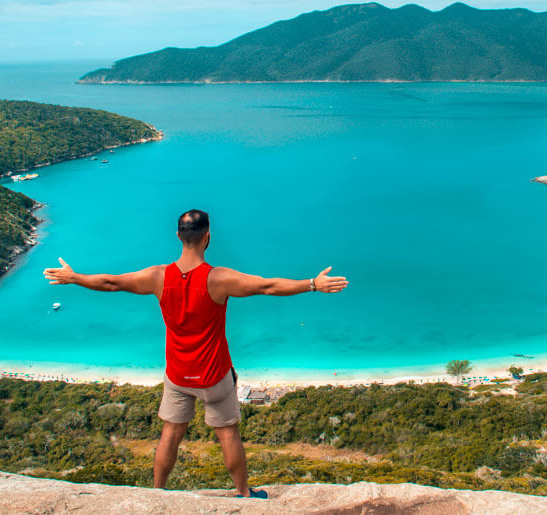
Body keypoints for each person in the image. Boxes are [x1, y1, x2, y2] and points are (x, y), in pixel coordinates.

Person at [43, 209, 348, 497]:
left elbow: (111, 283)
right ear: (207, 237)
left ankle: (158, 492)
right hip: (214, 375)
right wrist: (312, 284)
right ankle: (244, 493)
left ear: (178, 236)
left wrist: (74, 277)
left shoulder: (158, 277)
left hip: (178, 375)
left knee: (170, 435)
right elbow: (267, 287)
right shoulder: (218, 278)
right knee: (228, 435)